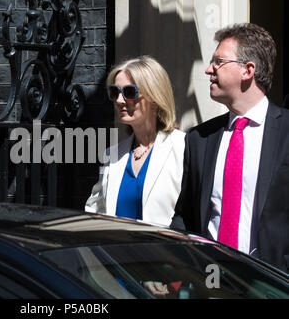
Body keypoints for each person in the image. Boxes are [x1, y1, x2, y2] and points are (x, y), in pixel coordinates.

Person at [171, 23, 289, 273]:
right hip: (211, 281)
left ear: (247, 70)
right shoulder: (199, 138)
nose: (208, 69)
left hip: (274, 283)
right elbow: (186, 218)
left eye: (218, 61)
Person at [85, 56, 185, 226]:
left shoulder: (182, 147)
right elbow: (96, 210)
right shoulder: (113, 154)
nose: (119, 100)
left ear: (154, 99)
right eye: (114, 92)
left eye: (129, 92)